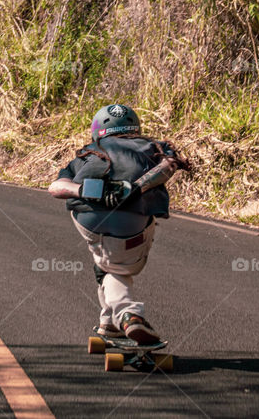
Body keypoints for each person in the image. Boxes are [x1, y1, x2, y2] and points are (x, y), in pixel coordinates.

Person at [48, 104, 189, 344]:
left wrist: (86, 191)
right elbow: (170, 165)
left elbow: (56, 188)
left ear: (98, 130)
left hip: (87, 218)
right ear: (135, 127)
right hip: (131, 219)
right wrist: (135, 188)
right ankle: (129, 315)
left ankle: (109, 322)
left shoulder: (88, 152)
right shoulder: (152, 146)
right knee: (119, 267)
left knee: (105, 261)